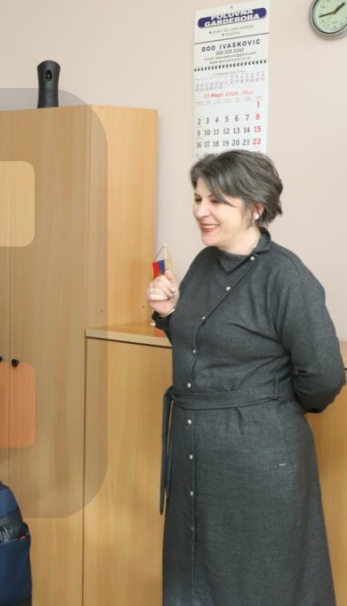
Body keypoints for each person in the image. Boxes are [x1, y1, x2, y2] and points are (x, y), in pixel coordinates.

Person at [147, 150, 345, 605]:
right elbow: (203, 347)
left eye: (216, 200)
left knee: (258, 581)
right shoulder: (204, 264)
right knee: (193, 578)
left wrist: (266, 406)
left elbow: (324, 375)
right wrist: (167, 315)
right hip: (197, 450)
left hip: (259, 457)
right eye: (198, 198)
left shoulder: (286, 277)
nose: (201, 211)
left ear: (255, 207)